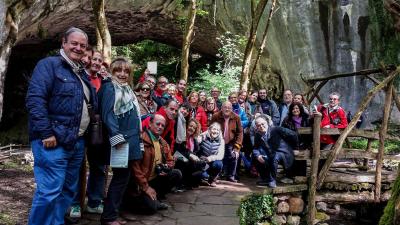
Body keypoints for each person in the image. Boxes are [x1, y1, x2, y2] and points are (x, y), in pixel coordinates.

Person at [26, 27, 96, 225]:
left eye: (82, 45)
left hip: (76, 142)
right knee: (49, 191)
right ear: (63, 43)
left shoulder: (81, 73)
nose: (78, 48)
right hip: (52, 141)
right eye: (74, 43)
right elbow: (35, 100)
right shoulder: (49, 65)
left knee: (67, 191)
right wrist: (46, 132)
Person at [98, 57, 142, 225]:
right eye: (118, 70)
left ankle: (113, 213)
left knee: (124, 178)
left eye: (126, 71)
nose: (123, 74)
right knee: (120, 178)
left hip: (131, 139)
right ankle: (108, 217)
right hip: (120, 141)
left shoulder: (127, 89)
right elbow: (107, 115)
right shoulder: (110, 88)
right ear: (112, 71)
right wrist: (116, 138)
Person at [129, 114, 182, 214]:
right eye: (158, 124)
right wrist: (145, 187)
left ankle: (157, 197)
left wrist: (167, 168)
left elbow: (170, 160)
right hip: (141, 182)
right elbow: (134, 167)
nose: (160, 127)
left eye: (163, 125)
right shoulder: (141, 140)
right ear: (150, 124)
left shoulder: (162, 142)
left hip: (155, 178)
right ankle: (133, 200)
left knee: (176, 174)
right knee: (151, 209)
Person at [252, 115, 298, 188]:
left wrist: (296, 147)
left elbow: (293, 134)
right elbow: (255, 148)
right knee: (255, 157)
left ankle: (272, 180)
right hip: (270, 153)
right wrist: (258, 155)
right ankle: (266, 179)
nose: (261, 126)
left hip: (283, 153)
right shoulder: (258, 135)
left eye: (262, 124)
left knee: (274, 157)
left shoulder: (276, 129)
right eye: (258, 125)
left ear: (267, 123)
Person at [211, 101, 243, 182]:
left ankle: (231, 176)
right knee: (218, 157)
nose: (227, 109)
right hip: (218, 142)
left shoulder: (237, 117)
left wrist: (237, 148)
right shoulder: (216, 116)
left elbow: (240, 132)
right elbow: (210, 129)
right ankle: (217, 175)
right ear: (221, 108)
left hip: (231, 142)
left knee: (234, 156)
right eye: (225, 107)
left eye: (229, 107)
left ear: (232, 109)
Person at [174, 118, 203, 188]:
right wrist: (190, 155)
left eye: (194, 128)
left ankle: (188, 182)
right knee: (186, 161)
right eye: (190, 126)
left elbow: (196, 153)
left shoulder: (194, 140)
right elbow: (177, 151)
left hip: (189, 159)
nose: (191, 128)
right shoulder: (181, 136)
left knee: (202, 166)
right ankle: (181, 183)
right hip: (177, 155)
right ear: (186, 126)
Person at [197, 122, 225, 187]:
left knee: (219, 164)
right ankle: (204, 178)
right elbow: (196, 143)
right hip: (203, 162)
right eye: (214, 129)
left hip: (212, 162)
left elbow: (221, 156)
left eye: (217, 130)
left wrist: (210, 158)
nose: (215, 131)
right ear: (209, 129)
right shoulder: (203, 136)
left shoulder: (221, 140)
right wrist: (199, 138)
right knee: (204, 176)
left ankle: (212, 179)